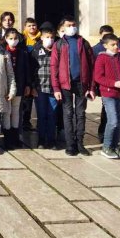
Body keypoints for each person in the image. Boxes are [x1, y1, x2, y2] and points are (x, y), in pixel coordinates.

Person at [50, 16, 95, 156]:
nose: (72, 27)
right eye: (69, 25)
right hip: (65, 85)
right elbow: (54, 67)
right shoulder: (59, 44)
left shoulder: (84, 42)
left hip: (82, 83)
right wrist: (56, 88)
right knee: (68, 114)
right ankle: (70, 145)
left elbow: (92, 65)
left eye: (74, 25)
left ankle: (80, 143)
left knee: (81, 114)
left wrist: (92, 87)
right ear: (63, 27)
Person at [93, 34, 120, 159]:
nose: (116, 47)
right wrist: (113, 83)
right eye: (113, 45)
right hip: (108, 94)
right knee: (113, 121)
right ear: (105, 45)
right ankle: (106, 147)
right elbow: (98, 77)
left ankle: (115, 147)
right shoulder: (102, 58)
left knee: (118, 121)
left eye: (117, 44)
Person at [2, 28, 30, 148]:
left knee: (16, 111)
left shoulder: (23, 53)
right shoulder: (2, 52)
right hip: (6, 87)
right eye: (11, 39)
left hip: (19, 85)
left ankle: (15, 136)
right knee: (7, 112)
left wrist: (28, 84)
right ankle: (7, 138)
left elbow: (26, 69)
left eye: (16, 38)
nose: (13, 41)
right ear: (6, 39)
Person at [30, 28, 57, 149]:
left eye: (51, 37)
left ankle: (51, 139)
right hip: (40, 88)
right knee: (41, 115)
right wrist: (33, 87)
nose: (49, 40)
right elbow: (32, 70)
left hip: (53, 89)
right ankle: (41, 139)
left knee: (52, 114)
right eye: (47, 37)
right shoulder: (36, 51)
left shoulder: (57, 50)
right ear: (41, 37)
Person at [91, 25, 115, 144]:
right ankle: (103, 132)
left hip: (118, 86)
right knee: (106, 110)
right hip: (104, 85)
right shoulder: (95, 49)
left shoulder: (118, 48)